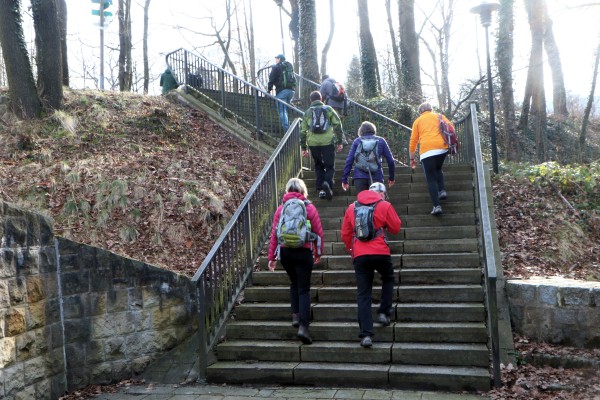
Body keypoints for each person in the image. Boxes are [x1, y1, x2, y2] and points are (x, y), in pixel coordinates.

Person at [341, 182, 402, 348]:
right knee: (388, 278)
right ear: (380, 194)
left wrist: (351, 249)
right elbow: (396, 228)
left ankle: (366, 335)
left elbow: (345, 233)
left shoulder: (351, 207)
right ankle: (384, 312)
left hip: (360, 254)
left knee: (363, 294)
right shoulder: (384, 205)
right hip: (380, 251)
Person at [268, 178, 324, 345]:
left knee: (294, 282)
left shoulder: (281, 209)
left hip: (285, 253)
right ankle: (303, 328)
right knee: (304, 289)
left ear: (287, 191)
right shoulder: (309, 208)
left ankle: (295, 315)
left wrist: (272, 258)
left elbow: (274, 234)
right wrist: (318, 252)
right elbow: (318, 232)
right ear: (302, 190)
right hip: (303, 251)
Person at [409, 102, 454, 216]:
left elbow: (413, 141)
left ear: (420, 112)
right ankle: (442, 190)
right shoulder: (439, 116)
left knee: (430, 179)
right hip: (442, 148)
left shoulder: (417, 121)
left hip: (427, 151)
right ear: (431, 109)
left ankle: (436, 206)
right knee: (438, 168)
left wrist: (412, 158)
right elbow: (451, 127)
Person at [300, 91, 344, 201]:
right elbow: (337, 125)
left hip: (313, 143)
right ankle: (327, 184)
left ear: (311, 100)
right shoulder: (328, 109)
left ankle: (320, 189)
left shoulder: (307, 112)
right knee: (329, 166)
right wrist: (340, 142)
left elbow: (302, 131)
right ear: (321, 99)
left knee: (318, 165)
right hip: (328, 142)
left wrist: (304, 147)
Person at [342, 121, 396, 194]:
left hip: (359, 177)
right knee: (376, 203)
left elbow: (349, 160)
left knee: (362, 203)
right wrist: (391, 178)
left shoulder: (357, 141)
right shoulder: (381, 141)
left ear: (361, 130)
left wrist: (345, 179)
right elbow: (391, 161)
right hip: (376, 177)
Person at [267, 54, 296, 131]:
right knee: (285, 109)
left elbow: (271, 79)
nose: (275, 60)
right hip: (291, 91)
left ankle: (287, 132)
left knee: (282, 111)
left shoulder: (276, 67)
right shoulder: (288, 66)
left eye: (276, 59)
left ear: (279, 59)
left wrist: (269, 89)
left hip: (282, 91)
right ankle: (290, 127)